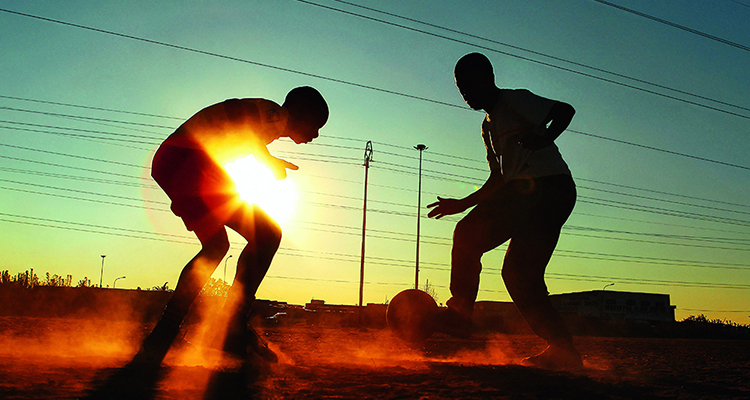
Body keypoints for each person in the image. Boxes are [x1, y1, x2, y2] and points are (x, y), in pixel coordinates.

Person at [133, 86, 329, 366]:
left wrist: (266, 156)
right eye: (317, 125)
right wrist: (265, 158)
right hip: (190, 159)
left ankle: (163, 336)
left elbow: (244, 128)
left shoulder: (270, 122)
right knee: (268, 233)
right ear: (303, 114)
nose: (316, 135)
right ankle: (231, 326)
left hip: (174, 161)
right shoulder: (275, 113)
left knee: (216, 248)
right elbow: (242, 116)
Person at [427, 53, 582, 370]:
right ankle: (563, 350)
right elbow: (498, 179)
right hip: (524, 192)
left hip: (548, 188)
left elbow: (565, 111)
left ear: (488, 78)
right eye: (460, 86)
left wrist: (544, 136)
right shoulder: (487, 128)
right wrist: (462, 203)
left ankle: (460, 314)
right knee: (518, 273)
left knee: (471, 235)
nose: (466, 92)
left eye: (470, 83)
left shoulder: (514, 101)